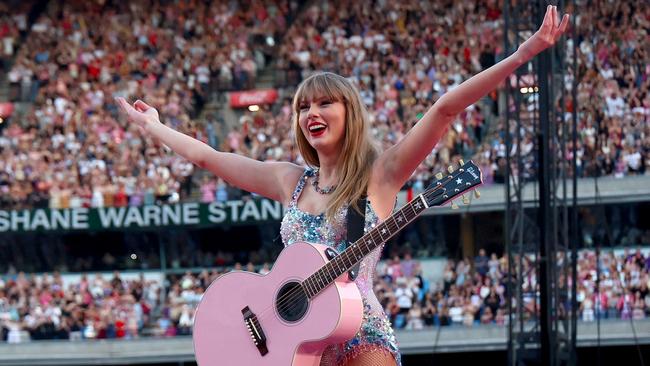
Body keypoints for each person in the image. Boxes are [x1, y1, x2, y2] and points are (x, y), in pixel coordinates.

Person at [116, 6, 569, 366]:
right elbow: (209, 158)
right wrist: (154, 125)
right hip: (293, 342)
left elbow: (445, 109)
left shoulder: (382, 174)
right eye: (303, 106)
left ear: (349, 111)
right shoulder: (289, 180)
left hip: (361, 334)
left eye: (325, 103)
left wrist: (520, 56)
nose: (311, 113)